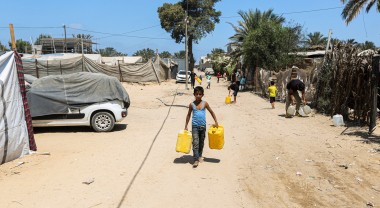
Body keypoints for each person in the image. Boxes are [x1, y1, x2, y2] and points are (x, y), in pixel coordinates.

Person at [185, 86, 218, 168]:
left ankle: (199, 155)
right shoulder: (191, 105)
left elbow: (211, 112)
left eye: (200, 94)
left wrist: (216, 121)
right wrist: (186, 125)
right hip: (195, 126)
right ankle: (196, 159)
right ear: (194, 94)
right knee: (195, 142)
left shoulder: (205, 103)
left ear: (202, 95)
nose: (198, 96)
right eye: (197, 94)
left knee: (201, 143)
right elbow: (188, 115)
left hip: (203, 126)